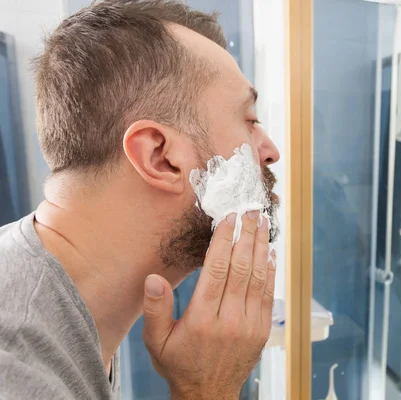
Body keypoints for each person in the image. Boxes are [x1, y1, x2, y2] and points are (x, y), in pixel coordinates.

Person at [0, 1, 281, 399]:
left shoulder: (60, 318)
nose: (270, 151)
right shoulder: (15, 373)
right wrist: (207, 389)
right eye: (249, 121)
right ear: (160, 157)